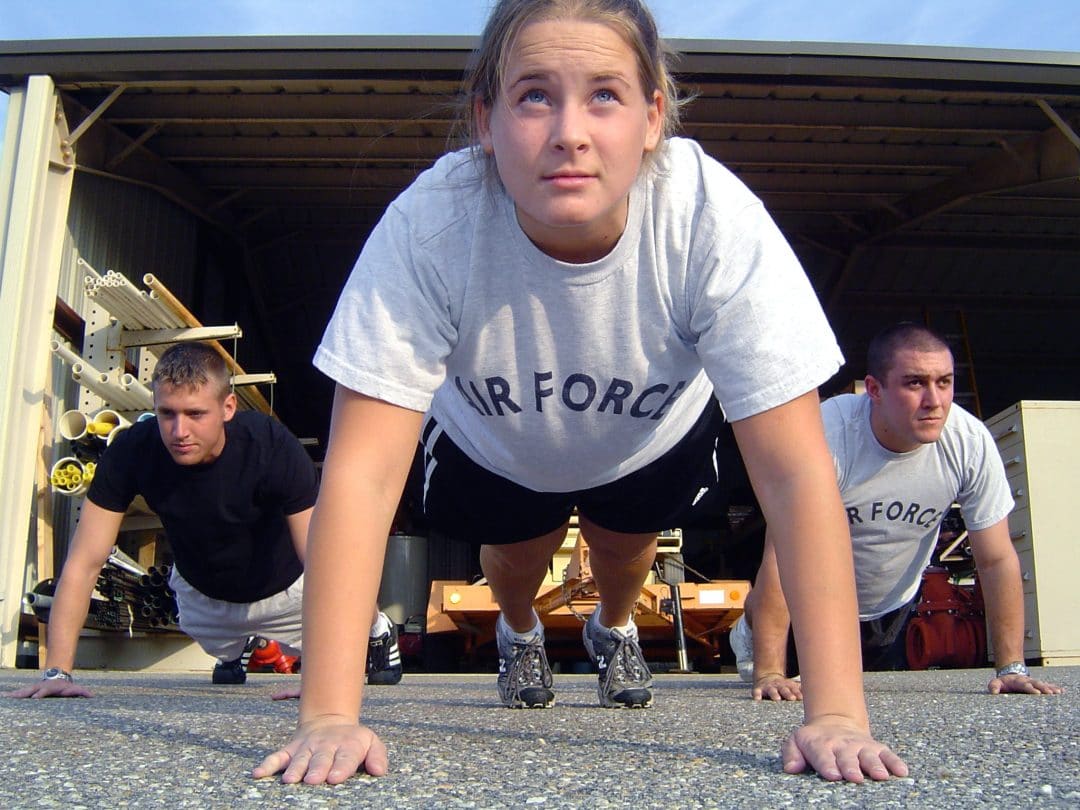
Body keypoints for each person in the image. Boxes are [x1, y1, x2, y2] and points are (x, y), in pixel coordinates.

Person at [255, 0, 908, 786]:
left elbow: (796, 474)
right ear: (485, 121)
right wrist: (330, 714)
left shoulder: (710, 218)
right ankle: (520, 631)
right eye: (535, 95)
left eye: (605, 94)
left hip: (645, 437)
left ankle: (613, 625)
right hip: (494, 442)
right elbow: (360, 475)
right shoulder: (432, 226)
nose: (570, 131)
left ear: (652, 116)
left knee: (624, 549)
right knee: (517, 555)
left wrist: (836, 713)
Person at [3, 342, 401, 698]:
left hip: (288, 594)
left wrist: (320, 682)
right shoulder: (132, 452)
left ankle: (378, 631)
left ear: (228, 408)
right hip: (203, 600)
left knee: (342, 561)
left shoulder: (271, 447)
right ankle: (237, 647)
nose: (179, 431)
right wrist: (57, 672)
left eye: (195, 413)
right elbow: (84, 561)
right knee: (218, 640)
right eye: (167, 413)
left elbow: (323, 563)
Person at [730, 322, 1064, 701]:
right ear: (874, 389)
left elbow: (996, 558)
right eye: (915, 383)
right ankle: (750, 628)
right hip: (812, 600)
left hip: (892, 604)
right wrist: (770, 670)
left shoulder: (968, 443)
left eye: (944, 381)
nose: (934, 401)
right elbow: (781, 556)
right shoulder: (828, 433)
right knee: (784, 695)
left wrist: (1011, 668)